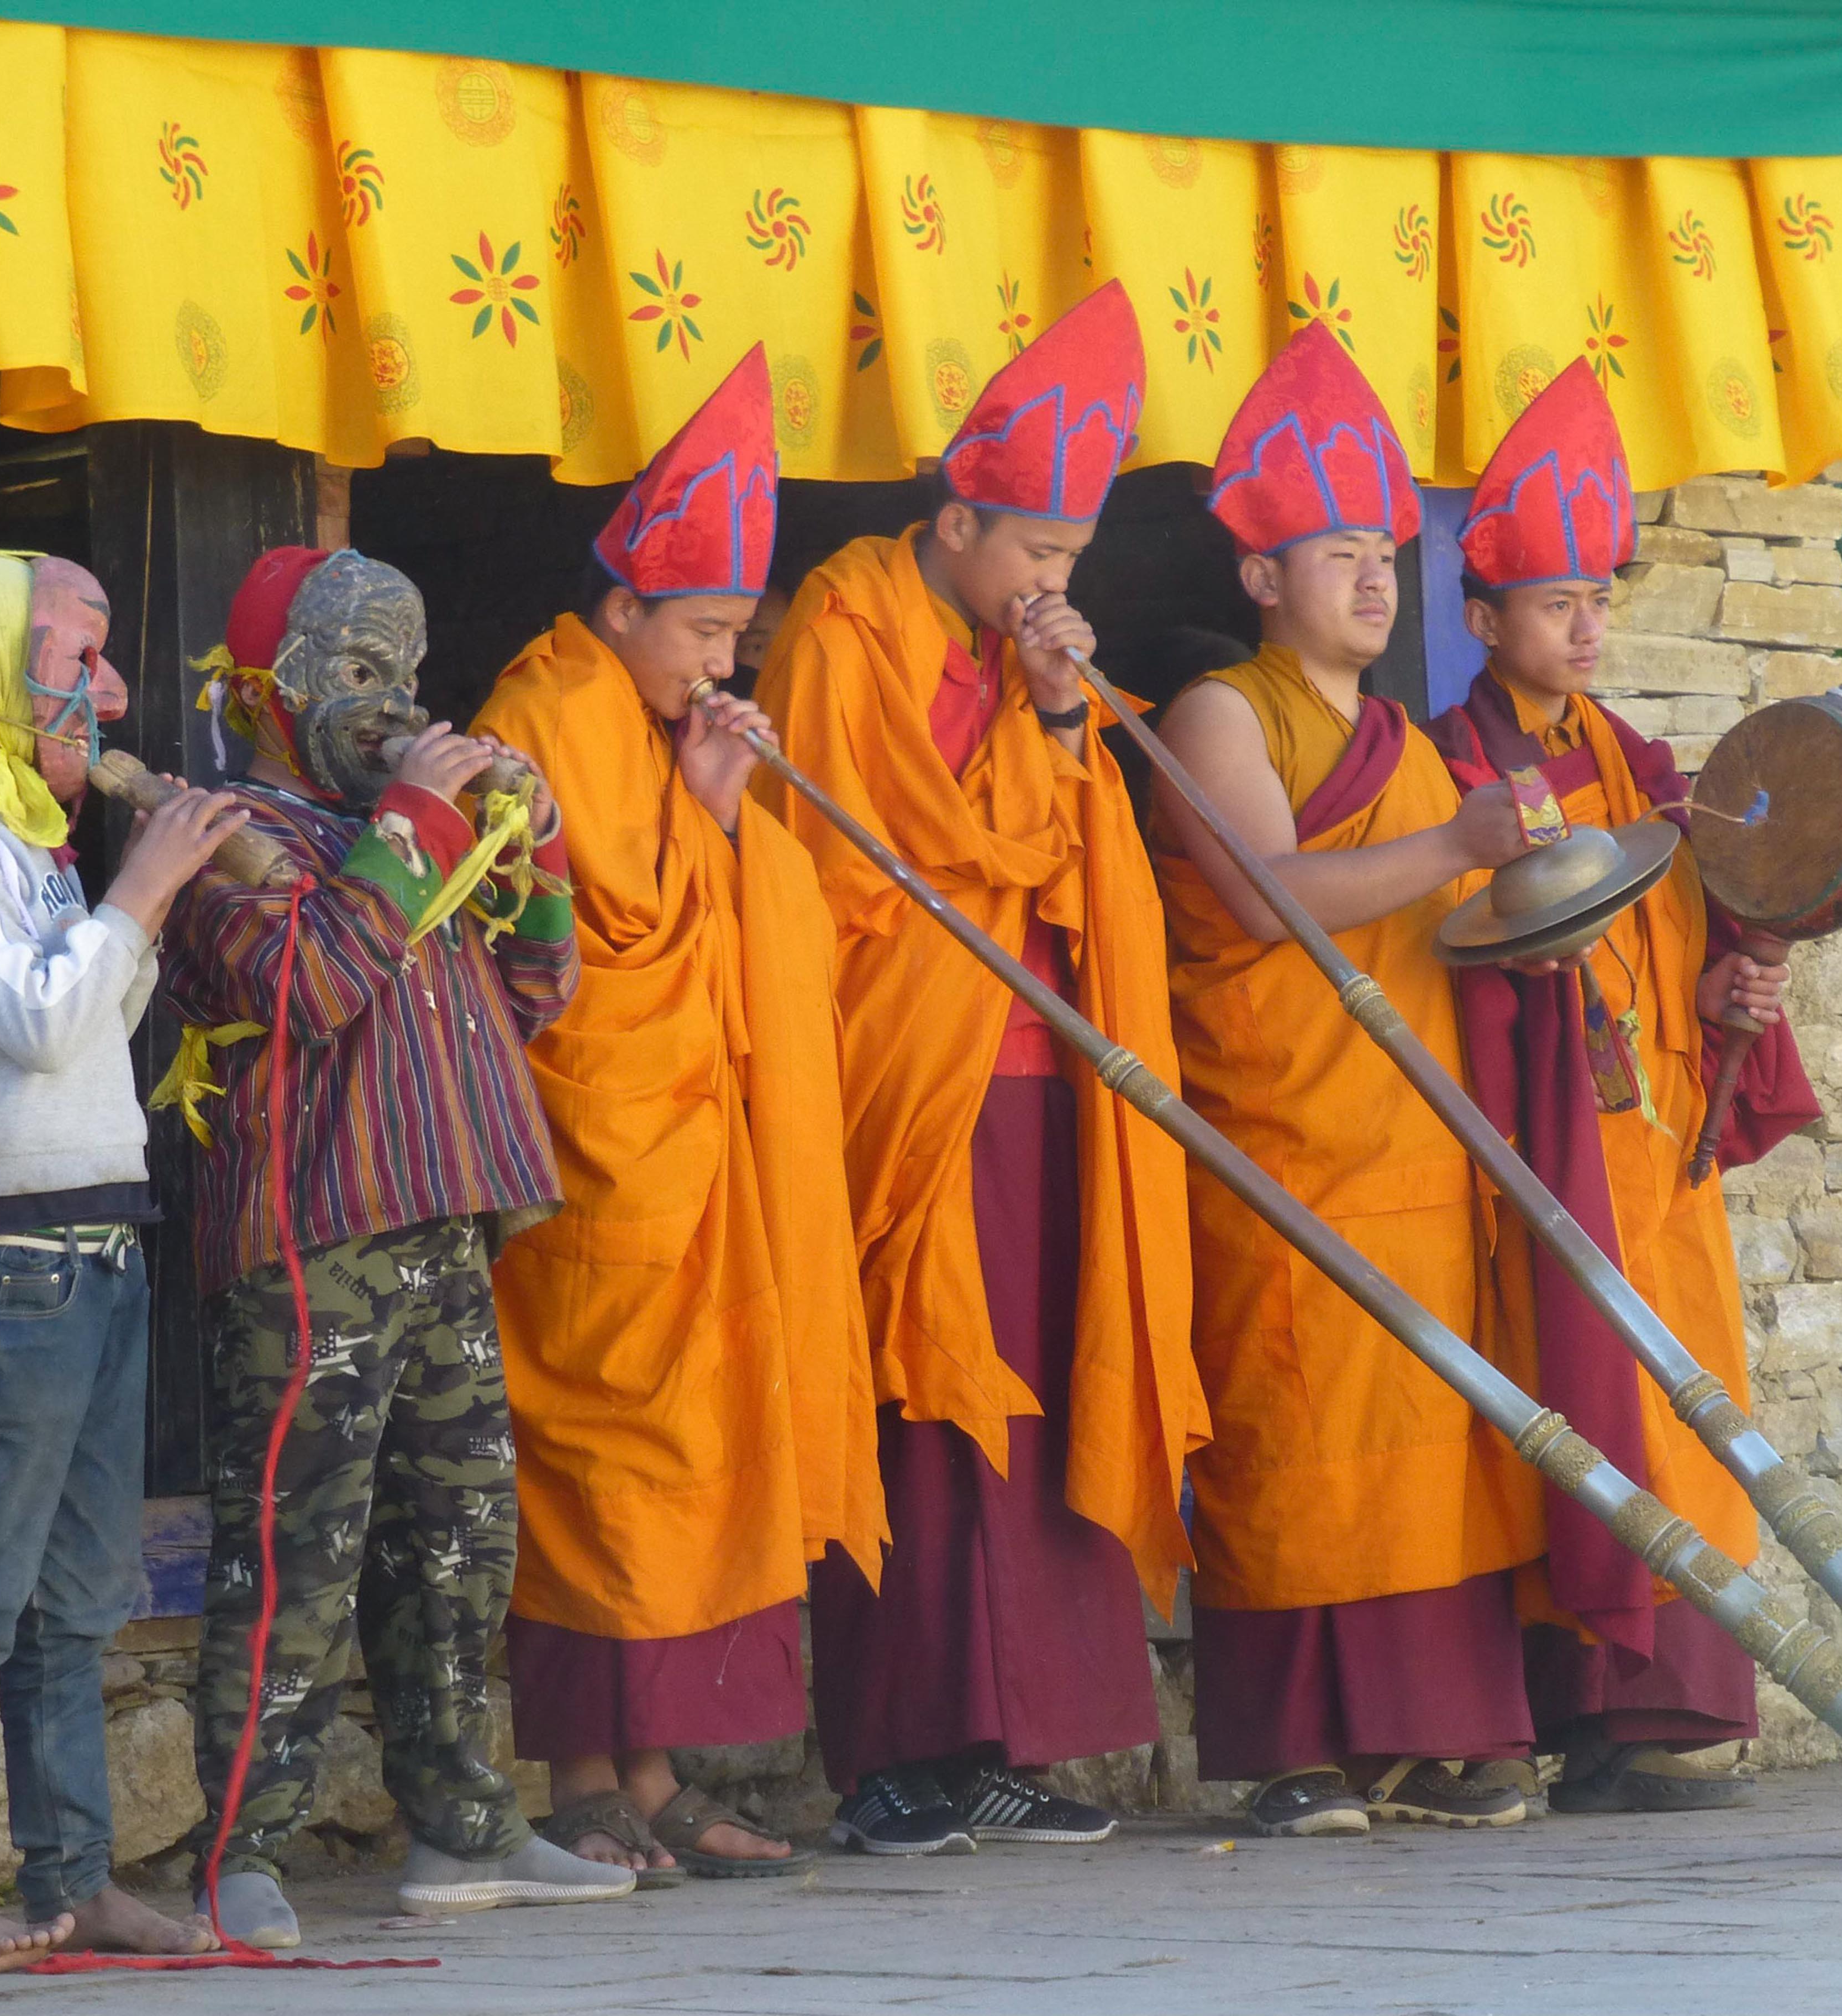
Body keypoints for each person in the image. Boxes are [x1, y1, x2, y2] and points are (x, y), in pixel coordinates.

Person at [755, 282, 1205, 1857]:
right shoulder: (844, 623)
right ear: (956, 524)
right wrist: (1001, 715)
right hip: (897, 1065)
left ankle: (1016, 1747)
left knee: (1028, 1402)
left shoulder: (1033, 662)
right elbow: (841, 855)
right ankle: (895, 1754)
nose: (1047, 586)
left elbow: (1079, 851)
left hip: (1031, 1064)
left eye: (1070, 566)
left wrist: (1063, 704)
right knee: (916, 1408)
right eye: (1033, 555)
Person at [160, 544, 630, 1943]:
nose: (393, 706)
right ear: (267, 688)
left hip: (445, 1228)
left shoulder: (411, 827)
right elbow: (308, 984)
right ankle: (240, 1852)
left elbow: (542, 987)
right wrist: (422, 818)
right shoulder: (221, 836)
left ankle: (466, 1825)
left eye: (405, 678)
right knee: (294, 1554)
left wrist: (532, 845)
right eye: (360, 675)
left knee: (460, 1546)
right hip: (313, 1246)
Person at [473, 347, 884, 1884]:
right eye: (703, 630)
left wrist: (718, 808)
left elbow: (712, 913)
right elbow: (562, 942)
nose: (720, 662)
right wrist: (693, 820)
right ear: (623, 606)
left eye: (735, 635)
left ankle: (651, 1784)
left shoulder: (652, 725)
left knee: (687, 1451)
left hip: (691, 1156)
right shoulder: (540, 709)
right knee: (597, 1459)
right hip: (592, 1155)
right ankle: (583, 1779)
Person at [1146, 324, 1543, 1839]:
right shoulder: (1220, 714)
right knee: (1296, 1423)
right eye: (1336, 557)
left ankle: (1437, 1731)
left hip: (1411, 1138)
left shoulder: (1408, 747)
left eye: (1385, 556)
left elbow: (1454, 920)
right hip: (1287, 1135)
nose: (1376, 582)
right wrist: (1454, 849)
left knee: (1436, 1426)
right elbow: (1264, 896)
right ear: (1259, 579)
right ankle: (1301, 1743)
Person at [1428, 360, 1820, 1813]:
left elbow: (1698, 962)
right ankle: (1580, 1711)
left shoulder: (1649, 769)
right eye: (1551, 604)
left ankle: (1678, 1704)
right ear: (1480, 621)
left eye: (1596, 596)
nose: (1584, 628)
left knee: (1682, 1416)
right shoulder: (1451, 769)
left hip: (1655, 1158)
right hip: (1546, 1156)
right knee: (1567, 1410)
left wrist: (1738, 999)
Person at [0, 537, 236, 1973]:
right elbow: (32, 1025)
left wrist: (135, 900)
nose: (115, 692)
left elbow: (90, 1022)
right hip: (5, 1264)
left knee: (76, 1603)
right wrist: (135, 892)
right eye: (79, 659)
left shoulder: (18, 838)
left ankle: (72, 1881)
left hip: (101, 1248)